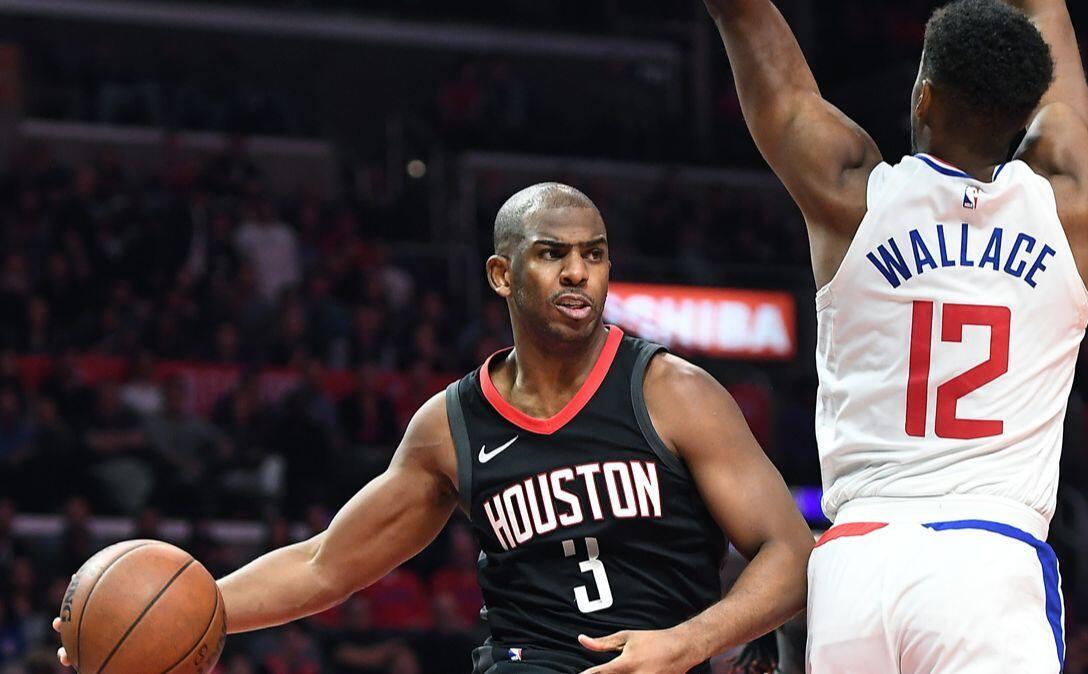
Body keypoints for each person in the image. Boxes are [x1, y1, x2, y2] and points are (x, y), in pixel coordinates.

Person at [56, 182, 813, 674]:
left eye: (595, 254)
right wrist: (159, 619)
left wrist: (691, 641)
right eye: (553, 254)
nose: (579, 272)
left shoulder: (673, 391)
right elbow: (328, 565)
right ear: (501, 274)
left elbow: (788, 551)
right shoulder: (452, 425)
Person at [705, 0, 1088, 671]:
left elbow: (745, 21)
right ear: (1025, 112)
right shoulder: (1068, 200)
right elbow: (1047, 17)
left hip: (857, 564)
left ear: (923, 98)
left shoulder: (850, 196)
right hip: (989, 561)